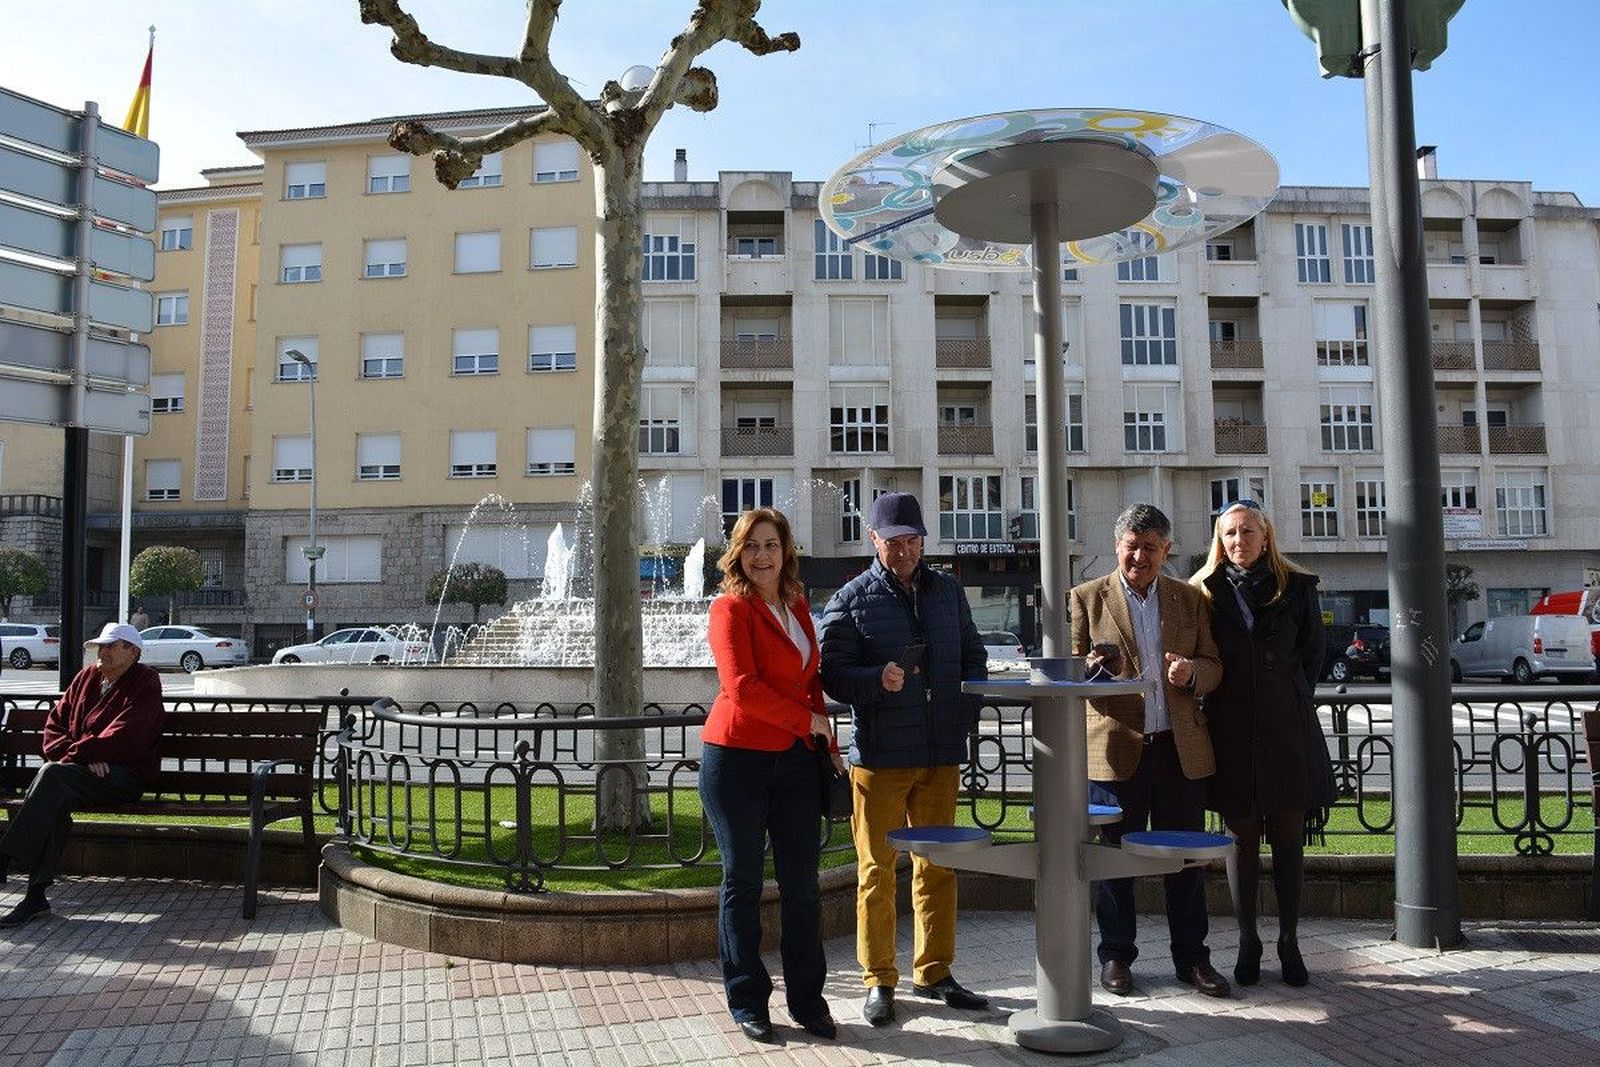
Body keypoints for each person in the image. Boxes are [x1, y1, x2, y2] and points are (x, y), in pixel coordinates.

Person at [820, 491, 990, 1028]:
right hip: (880, 759)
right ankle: (879, 981)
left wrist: (963, 717)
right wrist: (877, 680)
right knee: (876, 872)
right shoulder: (850, 598)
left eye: (913, 541)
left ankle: (935, 971)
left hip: (940, 754)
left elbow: (974, 656)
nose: (905, 551)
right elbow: (832, 674)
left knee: (938, 867)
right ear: (875, 540)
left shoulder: (948, 592)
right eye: (894, 542)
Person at [1068, 503, 1229, 998]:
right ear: (1117, 546)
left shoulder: (1189, 599)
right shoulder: (1085, 598)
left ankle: (1193, 960)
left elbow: (1214, 664)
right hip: (1116, 752)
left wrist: (1192, 674)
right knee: (1115, 860)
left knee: (1184, 860)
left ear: (1167, 550)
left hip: (1179, 750)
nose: (1140, 556)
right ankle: (1116, 957)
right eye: (1132, 546)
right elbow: (1069, 670)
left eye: (1151, 547)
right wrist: (1096, 670)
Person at [701, 507, 837, 1045]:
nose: (762, 555)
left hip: (798, 761)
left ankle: (808, 1001)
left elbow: (809, 684)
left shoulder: (797, 604)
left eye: (772, 545)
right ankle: (747, 999)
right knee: (743, 883)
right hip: (737, 760)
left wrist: (826, 740)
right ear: (739, 552)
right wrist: (808, 720)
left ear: (786, 552)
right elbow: (742, 687)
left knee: (802, 885)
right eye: (752, 545)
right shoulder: (730, 608)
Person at [1190, 499, 1330, 987]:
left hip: (1287, 731)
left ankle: (1289, 942)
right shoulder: (1203, 593)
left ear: (1266, 537)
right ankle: (1248, 940)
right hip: (1230, 733)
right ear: (1219, 541)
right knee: (1240, 841)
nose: (1238, 541)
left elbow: (1313, 656)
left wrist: (1284, 696)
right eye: (1229, 534)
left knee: (1289, 839)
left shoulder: (1298, 588)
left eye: (1247, 531)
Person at [0, 622, 165, 928]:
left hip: (124, 777)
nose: (102, 651)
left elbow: (129, 737)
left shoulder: (146, 681)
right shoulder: (86, 677)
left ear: (133, 652)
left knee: (53, 777)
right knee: (54, 799)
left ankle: (6, 856)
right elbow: (53, 729)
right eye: (100, 645)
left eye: (110, 646)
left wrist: (81, 755)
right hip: (77, 775)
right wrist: (85, 759)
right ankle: (35, 898)